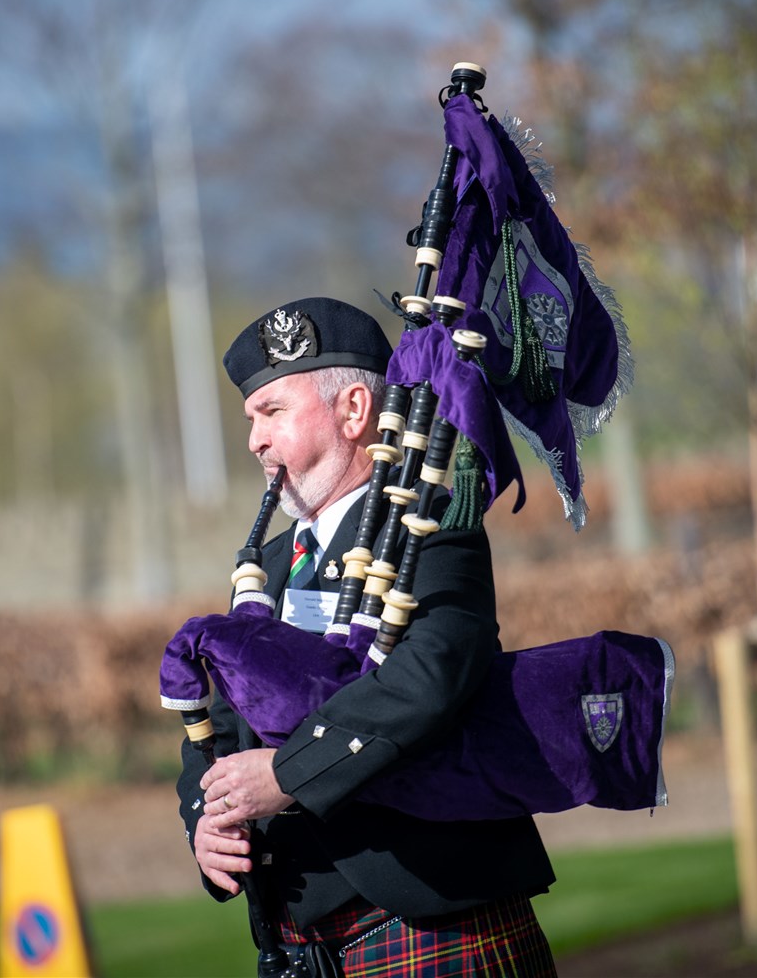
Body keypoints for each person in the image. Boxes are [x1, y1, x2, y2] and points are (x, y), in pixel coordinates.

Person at [177, 296, 557, 976]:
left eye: (273, 412)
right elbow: (223, 726)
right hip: (302, 943)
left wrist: (287, 775)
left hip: (431, 917)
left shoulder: (430, 523)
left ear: (354, 411)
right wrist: (206, 822)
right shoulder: (264, 569)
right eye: (249, 420)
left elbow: (430, 675)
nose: (254, 441)